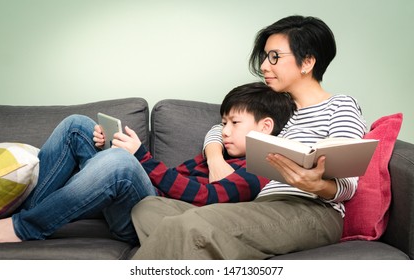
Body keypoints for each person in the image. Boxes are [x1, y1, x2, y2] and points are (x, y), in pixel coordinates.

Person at [130, 15, 367, 259]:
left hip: (312, 209)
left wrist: (315, 185)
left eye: (274, 56)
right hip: (260, 206)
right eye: (265, 56)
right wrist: (215, 159)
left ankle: (201, 240)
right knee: (147, 208)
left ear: (307, 62)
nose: (264, 65)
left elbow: (347, 183)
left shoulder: (340, 106)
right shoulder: (281, 109)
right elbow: (218, 128)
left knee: (187, 224)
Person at [0, 82, 295, 244]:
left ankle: (26, 226)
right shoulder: (218, 153)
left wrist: (138, 158)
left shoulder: (261, 168)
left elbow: (206, 197)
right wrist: (104, 148)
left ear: (265, 126)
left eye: (234, 123)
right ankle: (27, 209)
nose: (224, 130)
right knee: (77, 126)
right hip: (137, 197)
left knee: (119, 163)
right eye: (223, 122)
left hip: (147, 220)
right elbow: (173, 176)